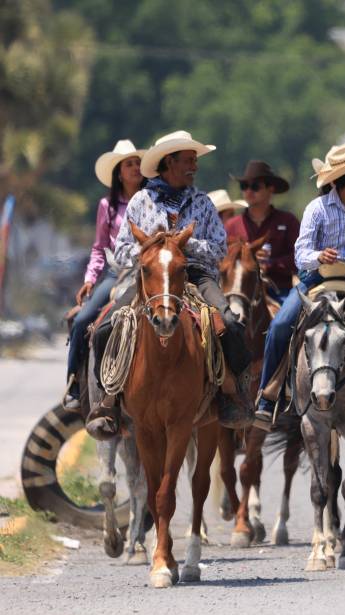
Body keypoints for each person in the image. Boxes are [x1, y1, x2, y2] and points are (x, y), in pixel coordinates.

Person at [86, 130, 252, 435]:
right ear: (169, 162)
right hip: (149, 279)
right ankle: (108, 403)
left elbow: (219, 248)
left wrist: (184, 247)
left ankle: (233, 396)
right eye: (188, 160)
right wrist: (152, 249)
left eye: (194, 160)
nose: (195, 166)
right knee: (103, 328)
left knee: (229, 322)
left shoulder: (202, 202)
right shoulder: (141, 201)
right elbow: (120, 251)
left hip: (196, 276)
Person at [253, 142, 345, 430]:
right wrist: (319, 255)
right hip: (317, 277)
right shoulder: (317, 209)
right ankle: (268, 395)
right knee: (280, 324)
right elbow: (301, 254)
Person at [63, 139, 146, 410]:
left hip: (149, 271)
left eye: (137, 164)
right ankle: (75, 384)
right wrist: (89, 279)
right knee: (84, 320)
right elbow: (99, 248)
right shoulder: (106, 206)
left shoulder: (152, 200)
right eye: (129, 165)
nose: (135, 168)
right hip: (116, 272)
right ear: (119, 172)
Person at [223, 161, 299, 302]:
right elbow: (222, 259)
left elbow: (299, 257)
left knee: (286, 322)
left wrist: (270, 264)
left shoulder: (288, 221)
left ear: (270, 189)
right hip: (240, 292)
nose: (248, 191)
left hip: (280, 290)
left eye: (255, 187)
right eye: (244, 186)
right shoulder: (231, 226)